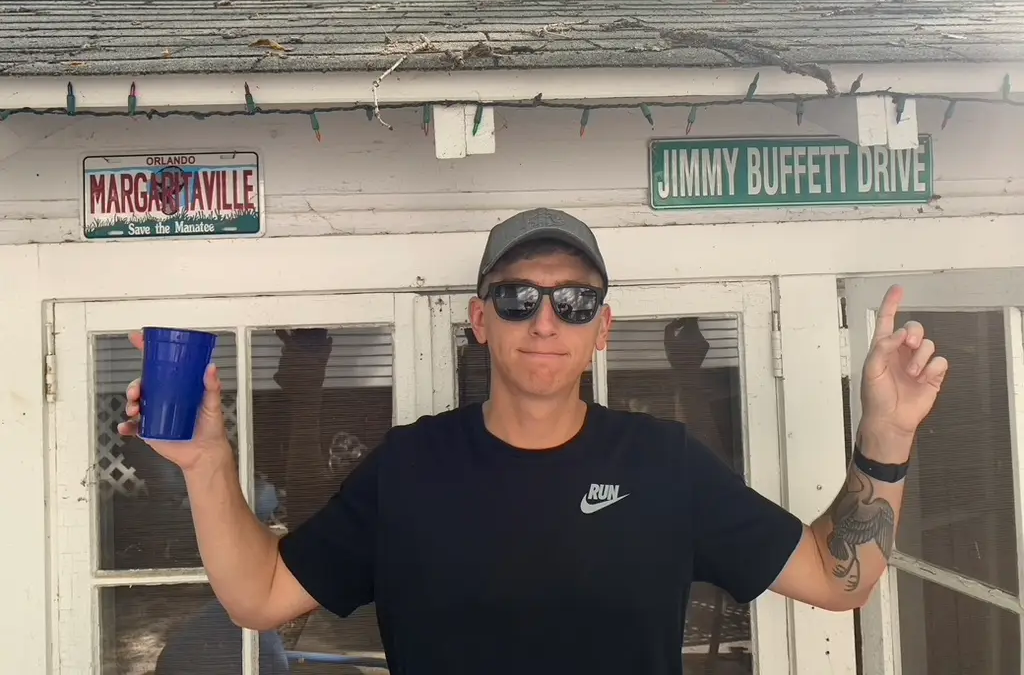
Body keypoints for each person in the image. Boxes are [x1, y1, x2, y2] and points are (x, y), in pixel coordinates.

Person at [120, 207, 948, 675]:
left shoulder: (663, 465)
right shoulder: (411, 468)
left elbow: (840, 581)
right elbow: (258, 596)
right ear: (481, 322)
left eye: (573, 302)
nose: (544, 320)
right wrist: (209, 464)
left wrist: (886, 433)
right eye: (517, 298)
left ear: (603, 332)